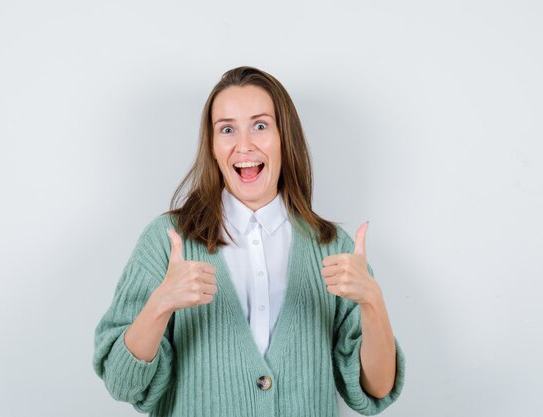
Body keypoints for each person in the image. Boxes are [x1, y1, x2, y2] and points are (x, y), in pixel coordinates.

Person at [92, 66, 405, 416]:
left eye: (260, 125)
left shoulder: (333, 247)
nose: (244, 145)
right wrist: (160, 304)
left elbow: (377, 388)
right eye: (227, 129)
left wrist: (373, 301)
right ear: (212, 147)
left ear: (284, 137)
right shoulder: (167, 242)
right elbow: (121, 384)